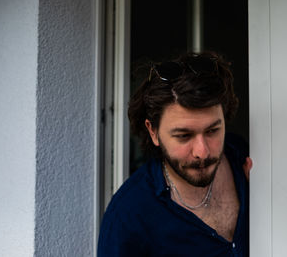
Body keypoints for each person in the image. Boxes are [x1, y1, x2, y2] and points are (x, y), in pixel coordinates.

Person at [98, 51, 252, 256]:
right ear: (153, 131)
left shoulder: (242, 157)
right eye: (184, 136)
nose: (202, 151)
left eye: (212, 131)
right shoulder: (128, 216)